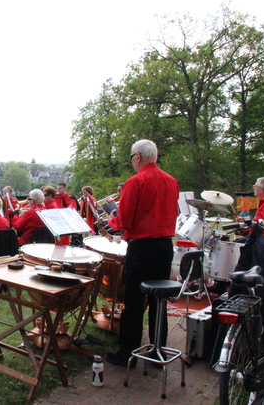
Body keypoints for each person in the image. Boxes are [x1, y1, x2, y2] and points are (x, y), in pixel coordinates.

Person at [104, 139, 179, 367]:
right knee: (159, 301)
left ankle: (128, 353)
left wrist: (111, 219)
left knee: (134, 302)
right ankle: (158, 353)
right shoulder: (172, 181)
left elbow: (125, 220)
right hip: (165, 247)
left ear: (137, 157)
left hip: (141, 248)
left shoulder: (135, 182)